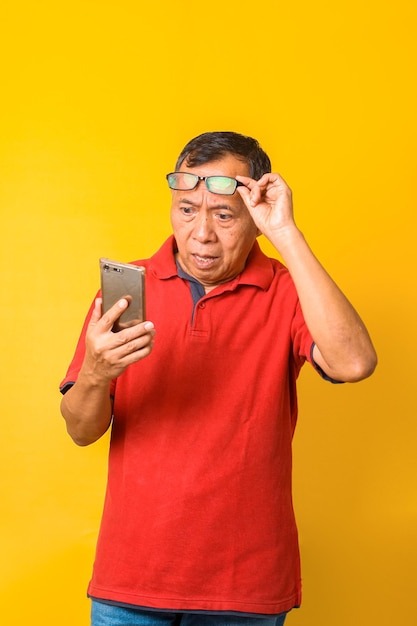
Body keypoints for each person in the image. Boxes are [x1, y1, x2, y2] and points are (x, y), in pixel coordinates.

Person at [60, 131, 377, 626]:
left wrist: (287, 235)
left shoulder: (288, 290)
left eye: (224, 215)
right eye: (187, 209)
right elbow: (81, 430)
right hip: (130, 583)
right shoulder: (127, 289)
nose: (201, 233)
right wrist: (98, 373)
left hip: (244, 588)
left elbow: (354, 363)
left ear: (255, 216)